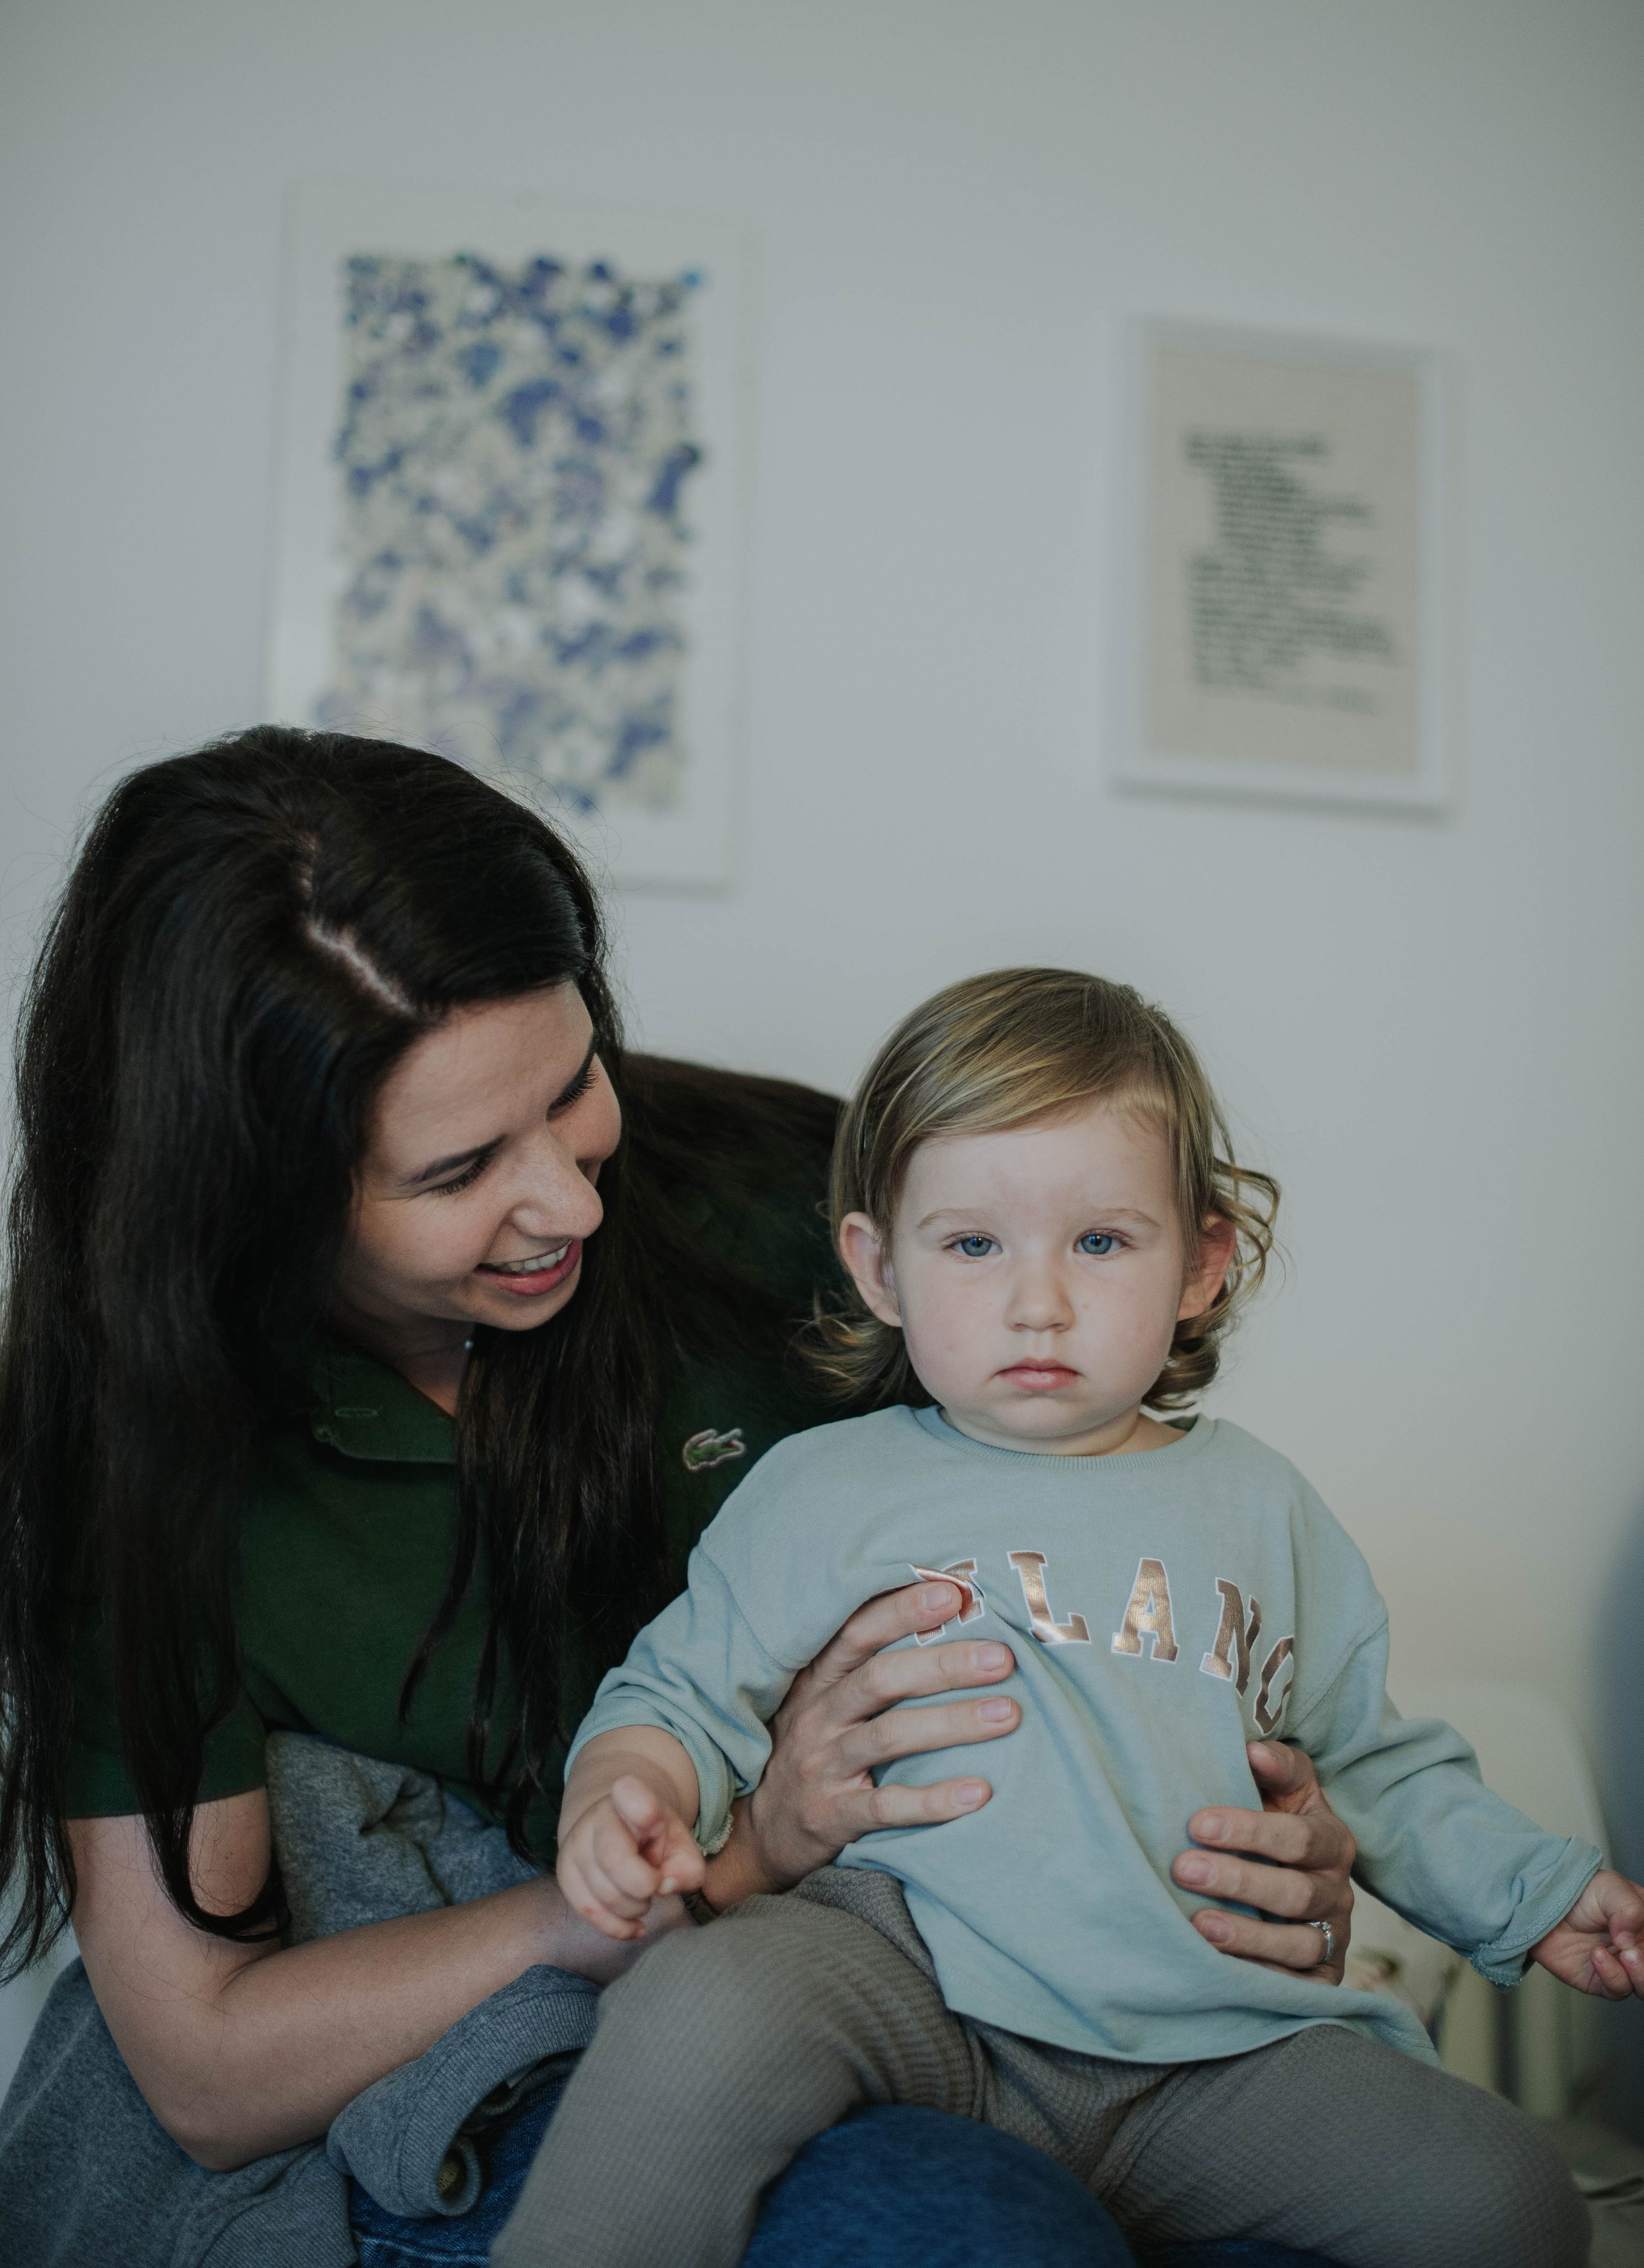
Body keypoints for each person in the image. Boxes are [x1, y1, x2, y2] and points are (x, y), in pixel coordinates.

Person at [0, 732, 1356, 2268]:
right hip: (536, 2049)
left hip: (968, 1986)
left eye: (576, 1084)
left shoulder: (789, 1203)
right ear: (244, 1191)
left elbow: (1116, 1558)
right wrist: (705, 1865)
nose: (575, 1200)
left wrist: (1261, 1834)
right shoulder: (136, 1447)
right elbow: (206, 2061)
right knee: (971, 2234)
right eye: (458, 1172)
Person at [519, 966, 1639, 2268]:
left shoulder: (1259, 1505)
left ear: (1200, 1263)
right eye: (972, 1244)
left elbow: (1370, 1762)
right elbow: (675, 1696)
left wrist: (1540, 1893)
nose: (1034, 1300)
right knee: (703, 1999)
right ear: (878, 1267)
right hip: (901, 1981)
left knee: (1503, 2194)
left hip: (1205, 2040)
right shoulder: (828, 1485)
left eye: (1099, 1242)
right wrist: (623, 1794)